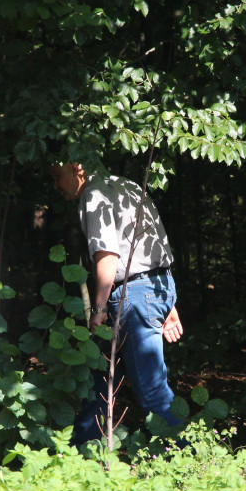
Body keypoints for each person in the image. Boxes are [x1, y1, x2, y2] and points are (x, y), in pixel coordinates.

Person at [49, 162, 184, 447]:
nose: (55, 185)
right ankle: (84, 451)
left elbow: (108, 255)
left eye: (56, 176)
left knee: (151, 389)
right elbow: (150, 248)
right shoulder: (128, 186)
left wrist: (98, 310)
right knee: (101, 378)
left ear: (76, 168)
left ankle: (186, 461)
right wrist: (164, 303)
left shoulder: (94, 193)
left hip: (133, 297)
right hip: (154, 288)